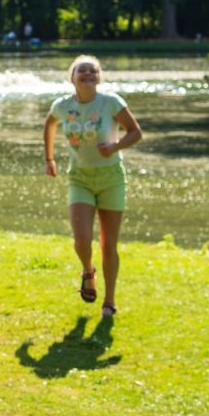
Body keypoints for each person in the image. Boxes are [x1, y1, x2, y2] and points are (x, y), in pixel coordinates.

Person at [43, 53, 143, 318]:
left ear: (99, 77)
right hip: (80, 179)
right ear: (72, 78)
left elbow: (136, 132)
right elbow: (49, 124)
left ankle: (109, 302)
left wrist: (115, 146)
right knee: (82, 239)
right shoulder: (62, 106)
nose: (88, 75)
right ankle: (88, 270)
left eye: (93, 71)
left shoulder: (111, 103)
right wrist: (49, 158)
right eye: (82, 71)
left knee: (109, 245)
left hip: (111, 178)